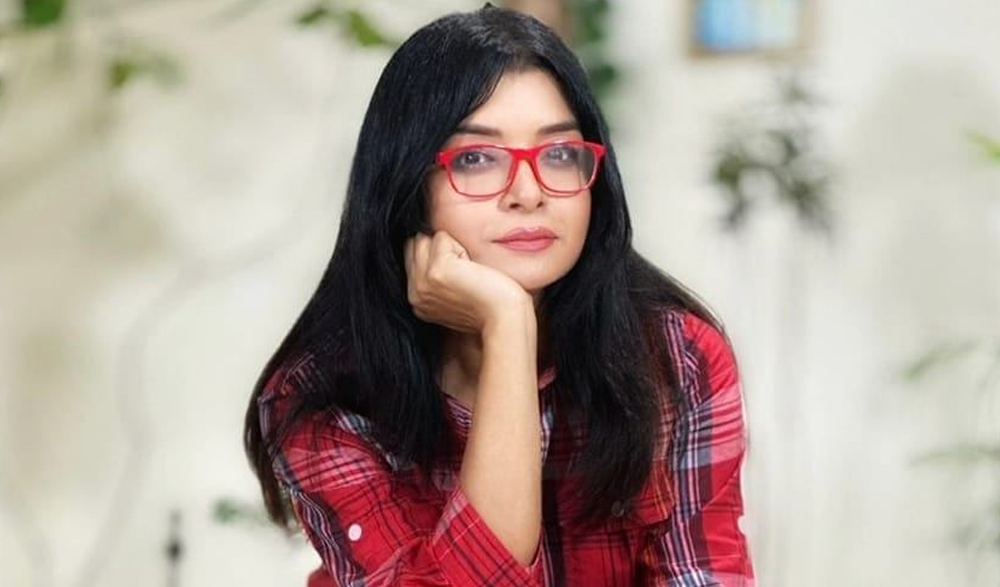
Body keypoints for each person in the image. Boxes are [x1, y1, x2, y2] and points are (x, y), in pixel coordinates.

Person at [244, 4, 755, 586]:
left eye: (559, 154)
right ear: (406, 185)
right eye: (477, 159)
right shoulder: (322, 394)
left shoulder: (677, 357)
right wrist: (509, 327)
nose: (528, 192)